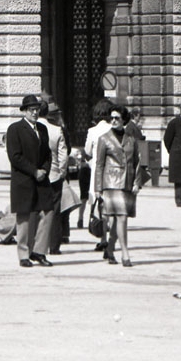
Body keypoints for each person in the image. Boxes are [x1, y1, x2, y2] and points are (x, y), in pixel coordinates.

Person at [5, 95, 55, 268]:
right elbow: (15, 157)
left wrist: (45, 171)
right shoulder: (15, 129)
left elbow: (48, 154)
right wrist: (34, 171)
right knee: (24, 218)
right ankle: (24, 254)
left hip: (42, 178)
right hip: (24, 179)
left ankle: (39, 251)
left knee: (48, 212)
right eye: (32, 110)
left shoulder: (42, 129)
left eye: (37, 110)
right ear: (24, 111)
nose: (35, 113)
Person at [95, 105, 145, 267]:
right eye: (112, 118)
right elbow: (99, 164)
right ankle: (125, 253)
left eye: (117, 118)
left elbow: (137, 163)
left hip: (128, 183)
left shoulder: (131, 139)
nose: (114, 121)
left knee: (118, 220)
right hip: (111, 183)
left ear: (124, 119)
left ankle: (109, 248)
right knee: (121, 218)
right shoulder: (104, 138)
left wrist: (138, 183)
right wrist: (97, 188)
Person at [83, 98, 113, 252]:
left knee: (99, 207)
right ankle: (111, 239)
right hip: (113, 173)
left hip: (97, 173)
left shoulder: (92, 131)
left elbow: (87, 151)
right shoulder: (114, 129)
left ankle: (103, 239)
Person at [38, 101, 68, 255]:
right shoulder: (57, 130)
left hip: (37, 175)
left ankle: (38, 244)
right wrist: (62, 172)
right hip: (54, 175)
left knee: (37, 210)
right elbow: (63, 156)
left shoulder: (32, 129)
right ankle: (54, 246)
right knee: (55, 211)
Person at [73, 148, 91, 229]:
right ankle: (82, 219)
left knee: (85, 197)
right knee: (87, 197)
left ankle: (81, 219)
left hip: (85, 170)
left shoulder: (81, 150)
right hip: (87, 170)